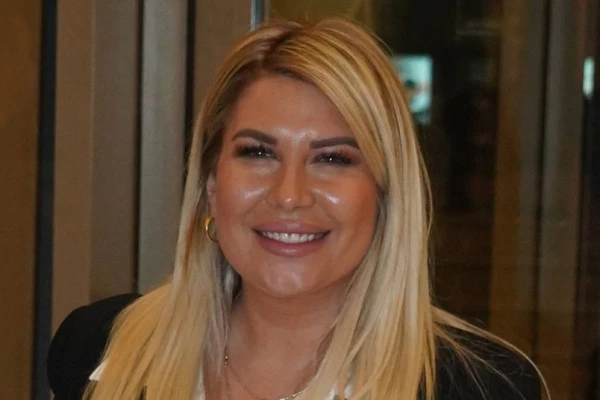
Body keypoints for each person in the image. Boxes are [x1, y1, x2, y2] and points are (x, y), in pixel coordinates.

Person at [47, 18, 543, 400]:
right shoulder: (96, 350)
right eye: (257, 153)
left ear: (386, 194)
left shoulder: (484, 387)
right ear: (211, 184)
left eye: (332, 158)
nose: (289, 194)